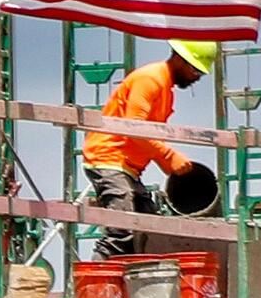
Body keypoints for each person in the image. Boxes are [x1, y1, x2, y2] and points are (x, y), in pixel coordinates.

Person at [82, 39, 218, 260]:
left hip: (127, 167)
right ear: (179, 58)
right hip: (109, 158)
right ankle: (94, 281)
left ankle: (135, 280)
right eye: (195, 70)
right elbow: (134, 127)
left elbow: (145, 135)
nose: (197, 77)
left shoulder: (165, 89)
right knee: (121, 233)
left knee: (150, 233)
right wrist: (168, 156)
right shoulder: (150, 79)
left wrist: (167, 162)